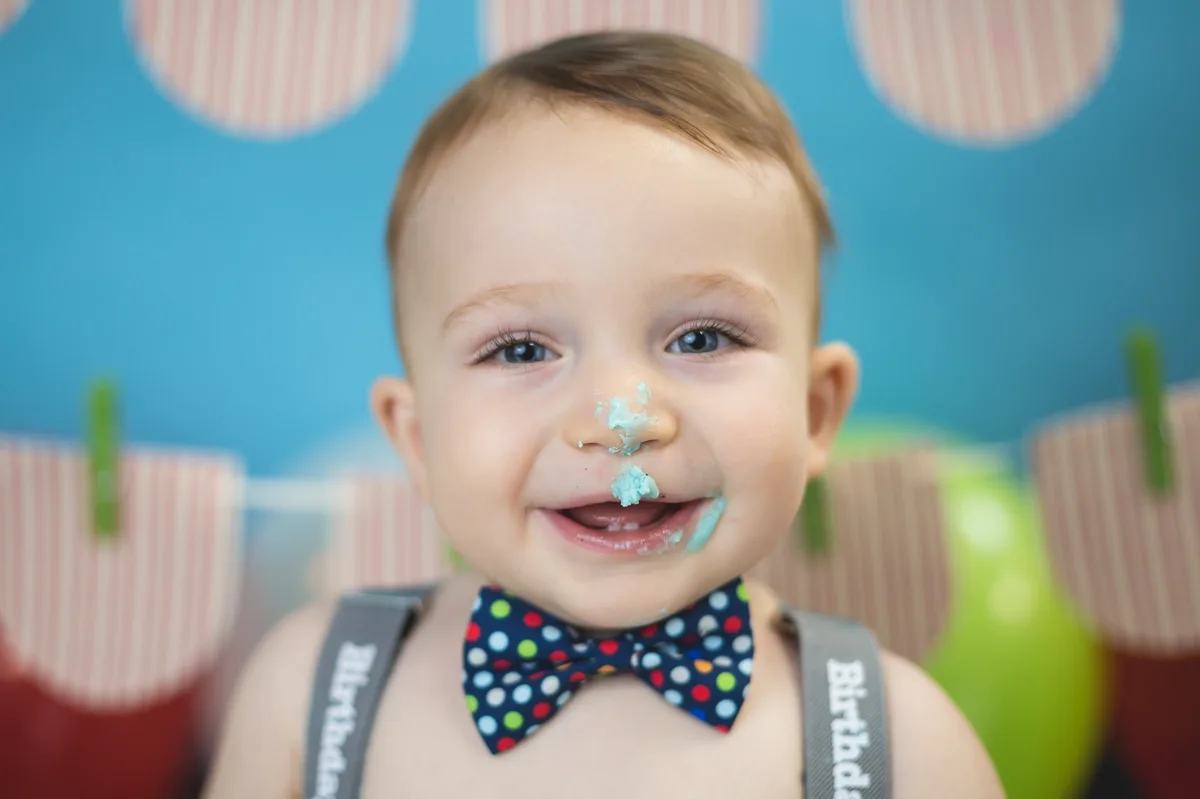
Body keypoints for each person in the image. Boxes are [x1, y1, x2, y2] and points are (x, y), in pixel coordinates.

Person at [202, 31, 1004, 799]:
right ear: (417, 439)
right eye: (520, 350)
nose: (622, 422)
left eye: (701, 337)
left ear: (815, 410)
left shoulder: (898, 742)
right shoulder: (316, 693)